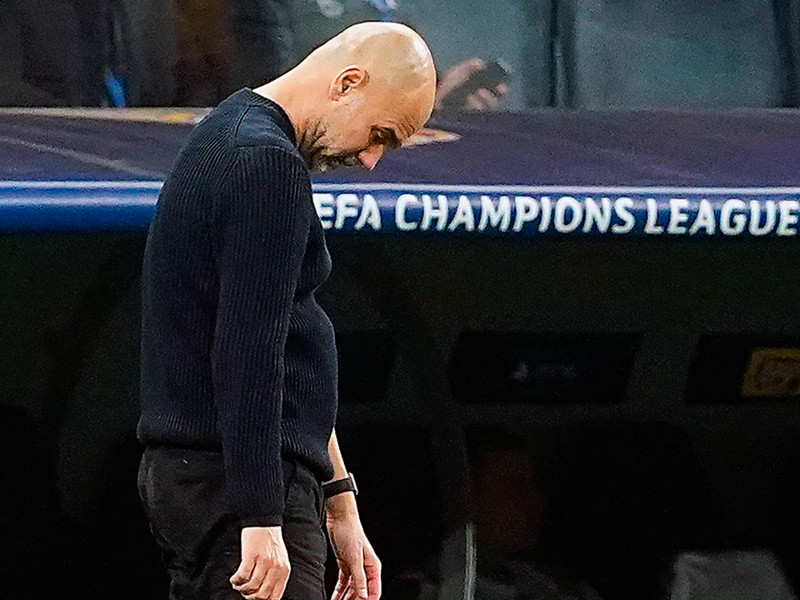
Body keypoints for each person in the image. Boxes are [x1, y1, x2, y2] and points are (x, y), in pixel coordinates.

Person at [137, 21, 437, 600]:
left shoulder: (230, 131)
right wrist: (260, 515)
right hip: (239, 486)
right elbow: (249, 352)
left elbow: (289, 342)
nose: (371, 159)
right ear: (348, 82)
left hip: (210, 481)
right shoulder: (267, 167)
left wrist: (339, 499)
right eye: (380, 134)